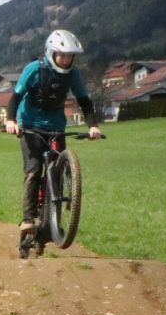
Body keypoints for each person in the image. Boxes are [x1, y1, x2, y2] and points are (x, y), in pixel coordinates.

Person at [5, 29, 103, 233]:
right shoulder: (34, 69)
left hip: (56, 125)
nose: (66, 60)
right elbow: (15, 97)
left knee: (56, 171)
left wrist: (93, 125)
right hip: (30, 124)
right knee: (33, 170)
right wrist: (10, 120)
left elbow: (84, 100)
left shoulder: (73, 74)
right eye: (62, 55)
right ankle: (29, 218)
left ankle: (53, 222)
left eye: (70, 56)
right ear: (51, 52)